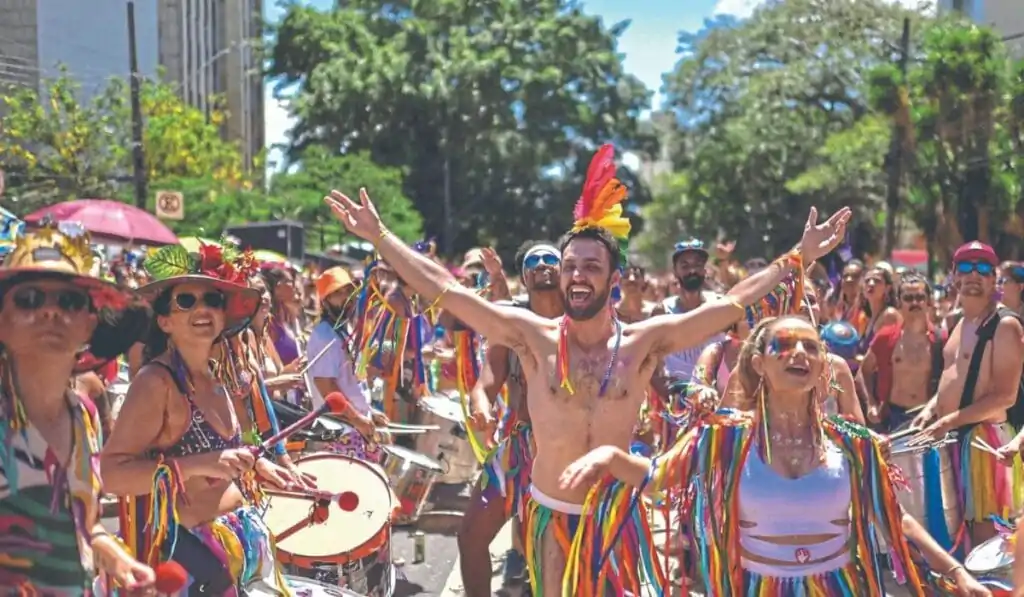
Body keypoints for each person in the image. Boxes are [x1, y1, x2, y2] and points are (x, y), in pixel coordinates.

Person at [323, 142, 853, 595]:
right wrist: (380, 236)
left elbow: (733, 303)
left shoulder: (645, 343)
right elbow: (448, 290)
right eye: (570, 265)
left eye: (591, 267)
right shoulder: (531, 336)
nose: (577, 275)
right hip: (553, 514)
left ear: (613, 280)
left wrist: (798, 257)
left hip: (615, 517)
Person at [561, 315, 990, 596]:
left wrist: (958, 573)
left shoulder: (854, 444)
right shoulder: (724, 439)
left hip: (837, 586)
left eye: (811, 347)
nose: (799, 353)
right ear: (758, 364)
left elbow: (897, 520)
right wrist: (609, 457)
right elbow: (657, 476)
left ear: (822, 368)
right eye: (784, 344)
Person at [102, 243, 304, 596]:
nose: (202, 308)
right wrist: (201, 464)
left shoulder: (215, 376)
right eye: (186, 300)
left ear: (223, 316)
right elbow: (112, 475)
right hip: (190, 566)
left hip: (237, 544)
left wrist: (255, 465)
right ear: (164, 321)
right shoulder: (156, 382)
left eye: (212, 300)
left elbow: (224, 452)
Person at [0, 226, 156, 595]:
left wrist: (118, 559)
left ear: (89, 323)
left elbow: (85, 524)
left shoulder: (82, 414)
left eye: (69, 301)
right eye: (29, 299)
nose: (51, 311)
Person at [460, 240, 563, 596]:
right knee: (471, 535)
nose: (542, 264)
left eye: (550, 258)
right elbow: (486, 382)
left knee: (556, 552)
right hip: (522, 448)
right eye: (534, 261)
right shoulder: (511, 324)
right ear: (524, 276)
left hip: (571, 451)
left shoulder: (583, 321)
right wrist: (481, 406)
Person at [914, 241, 1024, 546]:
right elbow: (954, 378)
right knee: (957, 541)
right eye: (965, 267)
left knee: (987, 545)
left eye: (983, 268)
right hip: (954, 439)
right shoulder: (959, 323)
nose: (974, 274)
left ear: (994, 279)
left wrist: (947, 421)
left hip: (985, 446)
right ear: (954, 276)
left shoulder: (1005, 325)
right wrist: (930, 410)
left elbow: (1005, 396)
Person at [307, 266, 389, 462]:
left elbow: (350, 383)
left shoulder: (344, 330)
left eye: (348, 291)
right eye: (338, 293)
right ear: (325, 301)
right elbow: (327, 388)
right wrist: (357, 418)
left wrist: (368, 412)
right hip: (337, 432)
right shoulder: (323, 336)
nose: (346, 297)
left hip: (352, 428)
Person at [859, 272, 943, 431]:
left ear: (929, 301)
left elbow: (950, 381)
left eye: (920, 297)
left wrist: (931, 409)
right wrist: (871, 403)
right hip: (893, 417)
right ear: (899, 302)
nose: (915, 303)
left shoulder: (941, 340)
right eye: (908, 298)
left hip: (928, 418)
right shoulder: (886, 336)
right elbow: (865, 370)